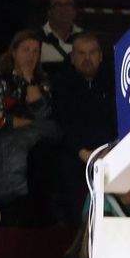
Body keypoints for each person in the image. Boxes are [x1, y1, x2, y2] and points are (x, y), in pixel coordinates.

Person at [0, 31, 58, 207]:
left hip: (36, 137)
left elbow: (44, 113)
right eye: (26, 50)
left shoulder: (42, 79)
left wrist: (30, 81)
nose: (31, 56)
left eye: (35, 51)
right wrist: (28, 122)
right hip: (3, 134)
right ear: (14, 52)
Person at [50, 33, 115, 226]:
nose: (87, 58)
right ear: (72, 57)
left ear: (101, 56)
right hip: (76, 154)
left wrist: (110, 148)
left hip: (111, 149)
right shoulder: (61, 84)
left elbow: (119, 120)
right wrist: (82, 152)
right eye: (81, 53)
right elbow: (61, 124)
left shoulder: (114, 80)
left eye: (92, 53)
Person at [39, 0, 82, 67]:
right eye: (58, 5)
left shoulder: (85, 37)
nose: (63, 9)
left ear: (74, 11)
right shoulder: (35, 38)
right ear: (49, 11)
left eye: (68, 4)